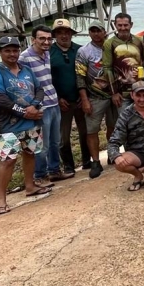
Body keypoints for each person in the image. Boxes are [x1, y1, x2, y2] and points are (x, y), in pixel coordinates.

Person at [0, 36, 51, 214]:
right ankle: (1, 198)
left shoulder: (26, 69)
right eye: (7, 50)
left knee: (30, 153)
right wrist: (24, 111)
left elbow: (40, 89)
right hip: (9, 126)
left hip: (31, 122)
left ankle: (30, 185)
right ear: (0, 52)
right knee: (8, 161)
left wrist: (35, 106)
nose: (12, 54)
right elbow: (0, 99)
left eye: (15, 50)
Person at [20, 25, 73, 184]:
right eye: (42, 38)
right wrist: (31, 105)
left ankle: (54, 170)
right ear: (33, 39)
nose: (46, 42)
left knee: (55, 141)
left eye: (49, 39)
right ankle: (40, 175)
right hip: (39, 107)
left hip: (53, 102)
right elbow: (21, 84)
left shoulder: (47, 54)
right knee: (41, 145)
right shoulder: (25, 58)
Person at [50, 19, 90, 175]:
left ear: (71, 34)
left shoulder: (80, 50)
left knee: (85, 132)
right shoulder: (49, 53)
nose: (64, 36)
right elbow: (46, 79)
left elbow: (87, 74)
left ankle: (87, 161)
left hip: (80, 98)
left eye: (67, 32)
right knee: (63, 137)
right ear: (55, 35)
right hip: (61, 101)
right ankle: (68, 165)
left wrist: (85, 95)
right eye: (60, 33)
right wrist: (57, 98)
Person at [76, 19, 115, 178]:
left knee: (114, 126)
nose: (96, 34)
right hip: (94, 96)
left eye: (98, 30)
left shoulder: (112, 47)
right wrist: (84, 99)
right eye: (92, 31)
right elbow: (80, 76)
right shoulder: (84, 52)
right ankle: (96, 161)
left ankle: (112, 154)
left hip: (113, 94)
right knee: (92, 130)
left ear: (104, 31)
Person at [103, 12, 144, 121]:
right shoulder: (109, 43)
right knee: (125, 122)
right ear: (115, 25)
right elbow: (107, 68)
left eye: (126, 25)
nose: (123, 28)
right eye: (120, 25)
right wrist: (114, 93)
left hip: (141, 89)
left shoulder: (140, 41)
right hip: (121, 93)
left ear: (131, 25)